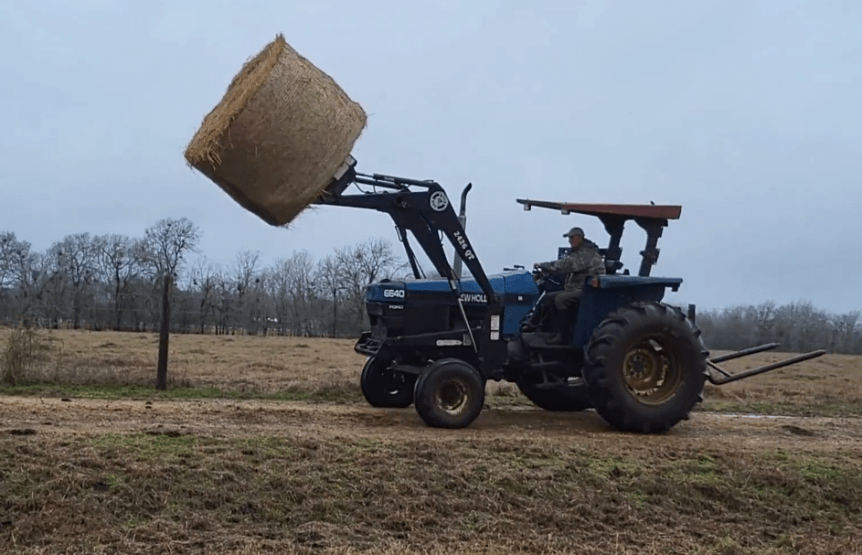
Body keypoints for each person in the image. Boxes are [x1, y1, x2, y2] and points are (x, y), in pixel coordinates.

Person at [533, 226, 606, 344]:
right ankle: (533, 327)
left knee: (561, 299)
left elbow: (568, 265)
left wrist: (545, 266)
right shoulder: (578, 252)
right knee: (548, 297)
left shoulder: (587, 253)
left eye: (572, 237)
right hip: (576, 288)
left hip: (588, 290)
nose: (569, 241)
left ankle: (562, 336)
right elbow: (566, 263)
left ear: (579, 238)